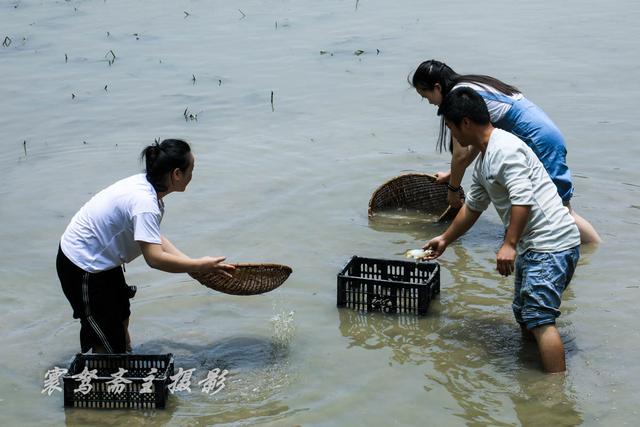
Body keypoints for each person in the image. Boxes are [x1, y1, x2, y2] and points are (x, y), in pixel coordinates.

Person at [423, 87, 581, 373]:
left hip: (551, 245)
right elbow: (473, 207)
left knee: (539, 318)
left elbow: (523, 198)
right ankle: (532, 369)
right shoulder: (485, 160)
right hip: (537, 246)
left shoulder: (505, 150)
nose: (452, 136)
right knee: (524, 313)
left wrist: (508, 244)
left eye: (451, 127)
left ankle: (554, 396)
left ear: (466, 123)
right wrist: (445, 239)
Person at [56, 138, 235, 354]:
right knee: (105, 339)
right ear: (177, 174)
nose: (192, 175)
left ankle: (124, 363)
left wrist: (190, 265)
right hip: (82, 266)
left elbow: (153, 236)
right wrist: (196, 265)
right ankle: (106, 376)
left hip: (102, 261)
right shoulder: (145, 203)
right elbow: (154, 258)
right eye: (191, 170)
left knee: (122, 316)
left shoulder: (147, 189)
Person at [411, 59, 600, 244]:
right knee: (555, 208)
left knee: (560, 211)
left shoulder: (457, 100)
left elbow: (460, 154)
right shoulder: (470, 86)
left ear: (437, 87)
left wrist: (453, 190)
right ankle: (590, 253)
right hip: (546, 134)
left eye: (425, 95)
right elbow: (478, 140)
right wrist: (453, 175)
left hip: (537, 141)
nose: (428, 102)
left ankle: (595, 249)